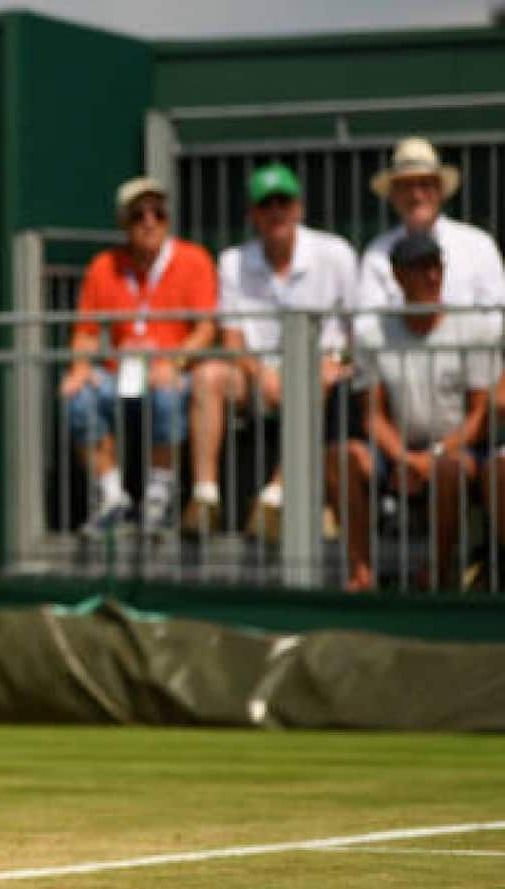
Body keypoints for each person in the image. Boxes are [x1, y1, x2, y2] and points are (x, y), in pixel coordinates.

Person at [183, 163, 358, 539]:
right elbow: (231, 341)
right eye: (266, 204)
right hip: (254, 376)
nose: (276, 211)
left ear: (298, 209)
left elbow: (358, 331)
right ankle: (205, 497)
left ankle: (275, 498)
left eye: (284, 202)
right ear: (253, 214)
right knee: (206, 374)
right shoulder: (232, 262)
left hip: (320, 374)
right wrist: (262, 375)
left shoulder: (336, 253)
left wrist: (337, 362)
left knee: (314, 379)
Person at [324, 233, 502, 591]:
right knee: (341, 457)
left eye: (436, 266)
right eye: (421, 268)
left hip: (460, 450)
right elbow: (372, 415)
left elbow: (480, 415)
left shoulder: (475, 329)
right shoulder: (373, 335)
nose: (432, 276)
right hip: (398, 451)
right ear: (398, 275)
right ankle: (361, 571)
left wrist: (431, 456)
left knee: (448, 468)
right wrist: (404, 457)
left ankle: (438, 572)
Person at [61, 175, 217, 536]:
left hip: (171, 370)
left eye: (157, 213)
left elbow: (206, 329)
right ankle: (112, 497)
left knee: (168, 394)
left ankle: (159, 500)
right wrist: (80, 369)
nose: (149, 222)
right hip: (120, 373)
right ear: (124, 223)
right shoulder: (104, 266)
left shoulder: (194, 259)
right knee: (79, 397)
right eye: (138, 215)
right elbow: (85, 331)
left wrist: (175, 362)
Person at [358, 136, 505, 317]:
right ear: (393, 195)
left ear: (440, 190)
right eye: (406, 186)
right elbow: (366, 326)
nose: (416, 195)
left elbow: (496, 319)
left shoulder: (479, 246)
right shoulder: (376, 254)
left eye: (425, 184)